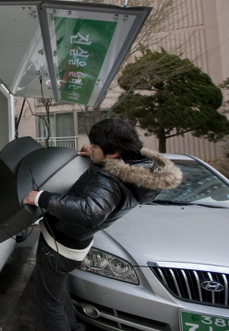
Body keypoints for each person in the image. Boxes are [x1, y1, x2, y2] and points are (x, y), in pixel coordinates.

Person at [23, 118, 182, 331]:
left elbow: (90, 212)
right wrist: (98, 154)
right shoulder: (140, 169)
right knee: (56, 291)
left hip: (60, 244)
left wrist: (41, 198)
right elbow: (110, 176)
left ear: (114, 152)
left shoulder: (108, 179)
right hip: (76, 243)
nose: (92, 148)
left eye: (96, 146)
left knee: (49, 301)